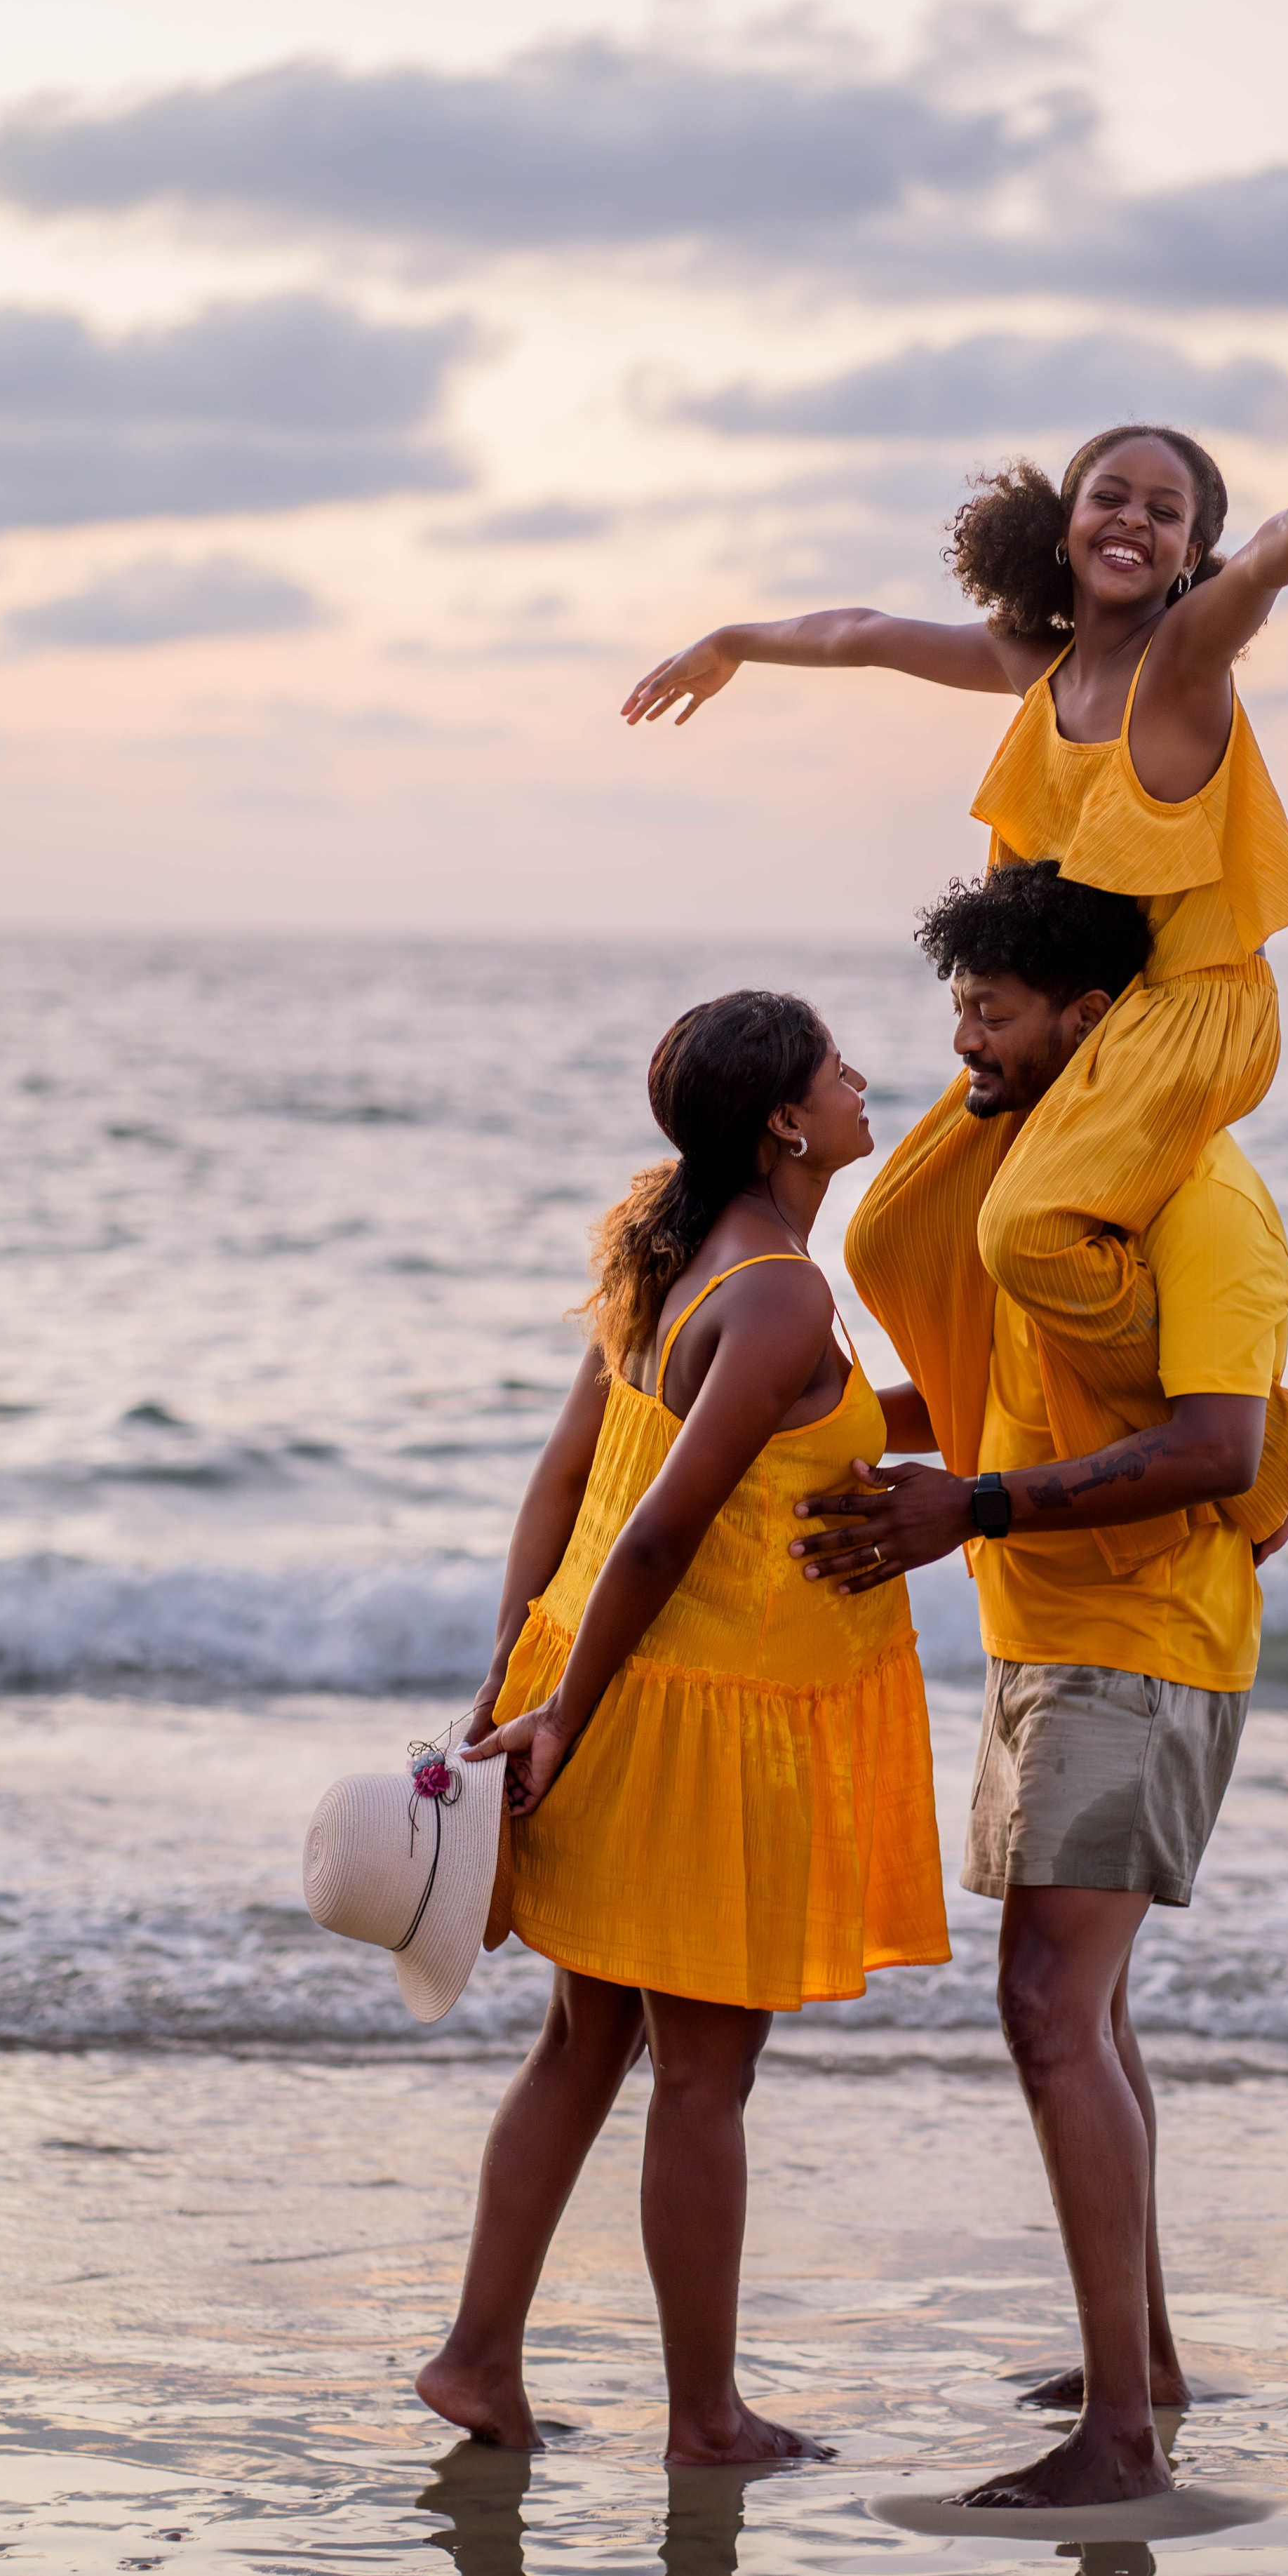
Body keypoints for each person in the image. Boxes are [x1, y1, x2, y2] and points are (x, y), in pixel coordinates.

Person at [622, 427, 1288, 1508]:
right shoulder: (1034, 664)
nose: (1134, 522)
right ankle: (993, 1436)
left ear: (1194, 553)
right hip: (1089, 1023)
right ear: (1064, 525)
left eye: (1166, 511)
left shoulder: (1187, 656)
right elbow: (862, 632)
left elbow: (1282, 548)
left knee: (1023, 1232)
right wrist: (733, 640)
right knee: (893, 1230)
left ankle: (1252, 1434)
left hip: (1196, 1010)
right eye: (1111, 496)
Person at [788, 860, 1288, 2511]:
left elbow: (1212, 1445)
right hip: (1051, 1630)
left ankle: (1119, 2440)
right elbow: (1011, 1406)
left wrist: (974, 1510)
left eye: (994, 1013)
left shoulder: (1196, 1196)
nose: (964, 1042)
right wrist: (781, 1413)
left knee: (1043, 2009)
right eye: (954, 1008)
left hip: (1143, 1637)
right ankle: (1139, 2362)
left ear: (1090, 1023)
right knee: (1082, 2009)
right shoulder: (1048, 1177)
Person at [417, 992, 949, 2464]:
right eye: (835, 1067)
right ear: (785, 1121)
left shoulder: (672, 1258)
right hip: (680, 1724)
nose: (859, 1082)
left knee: (581, 2052)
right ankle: (705, 2421)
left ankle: (479, 2359)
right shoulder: (774, 1291)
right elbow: (653, 1537)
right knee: (702, 2078)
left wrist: (512, 1680)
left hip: (595, 1693)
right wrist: (557, 1723)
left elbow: (561, 1486)